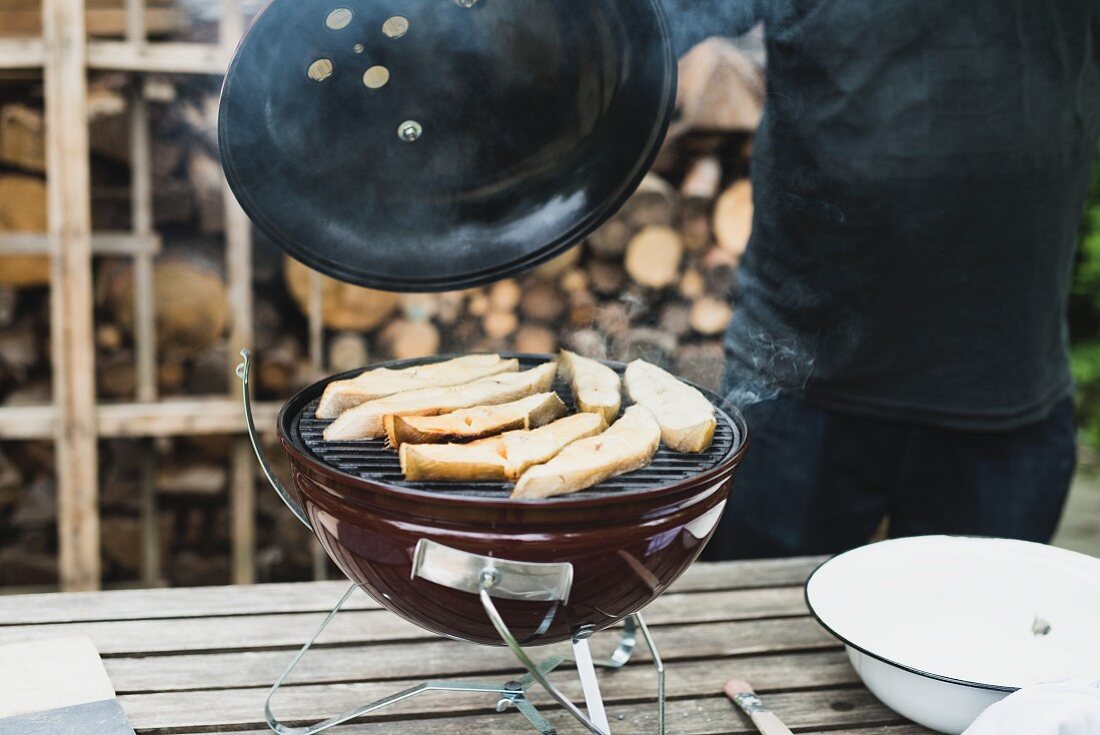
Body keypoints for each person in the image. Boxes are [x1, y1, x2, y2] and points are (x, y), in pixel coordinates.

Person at [661, 0, 1100, 559]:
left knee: (978, 638)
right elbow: (639, 29)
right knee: (753, 628)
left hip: (1006, 397)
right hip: (801, 388)